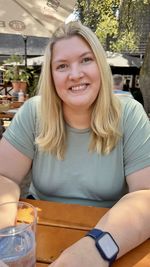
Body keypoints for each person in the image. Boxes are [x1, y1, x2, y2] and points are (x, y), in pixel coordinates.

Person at [0, 21, 150, 267]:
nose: (75, 74)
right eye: (62, 66)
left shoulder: (129, 114)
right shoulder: (34, 112)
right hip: (42, 238)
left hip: (114, 238)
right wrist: (5, 236)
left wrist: (93, 252)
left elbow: (146, 195)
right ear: (51, 75)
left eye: (86, 60)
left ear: (100, 65)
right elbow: (3, 176)